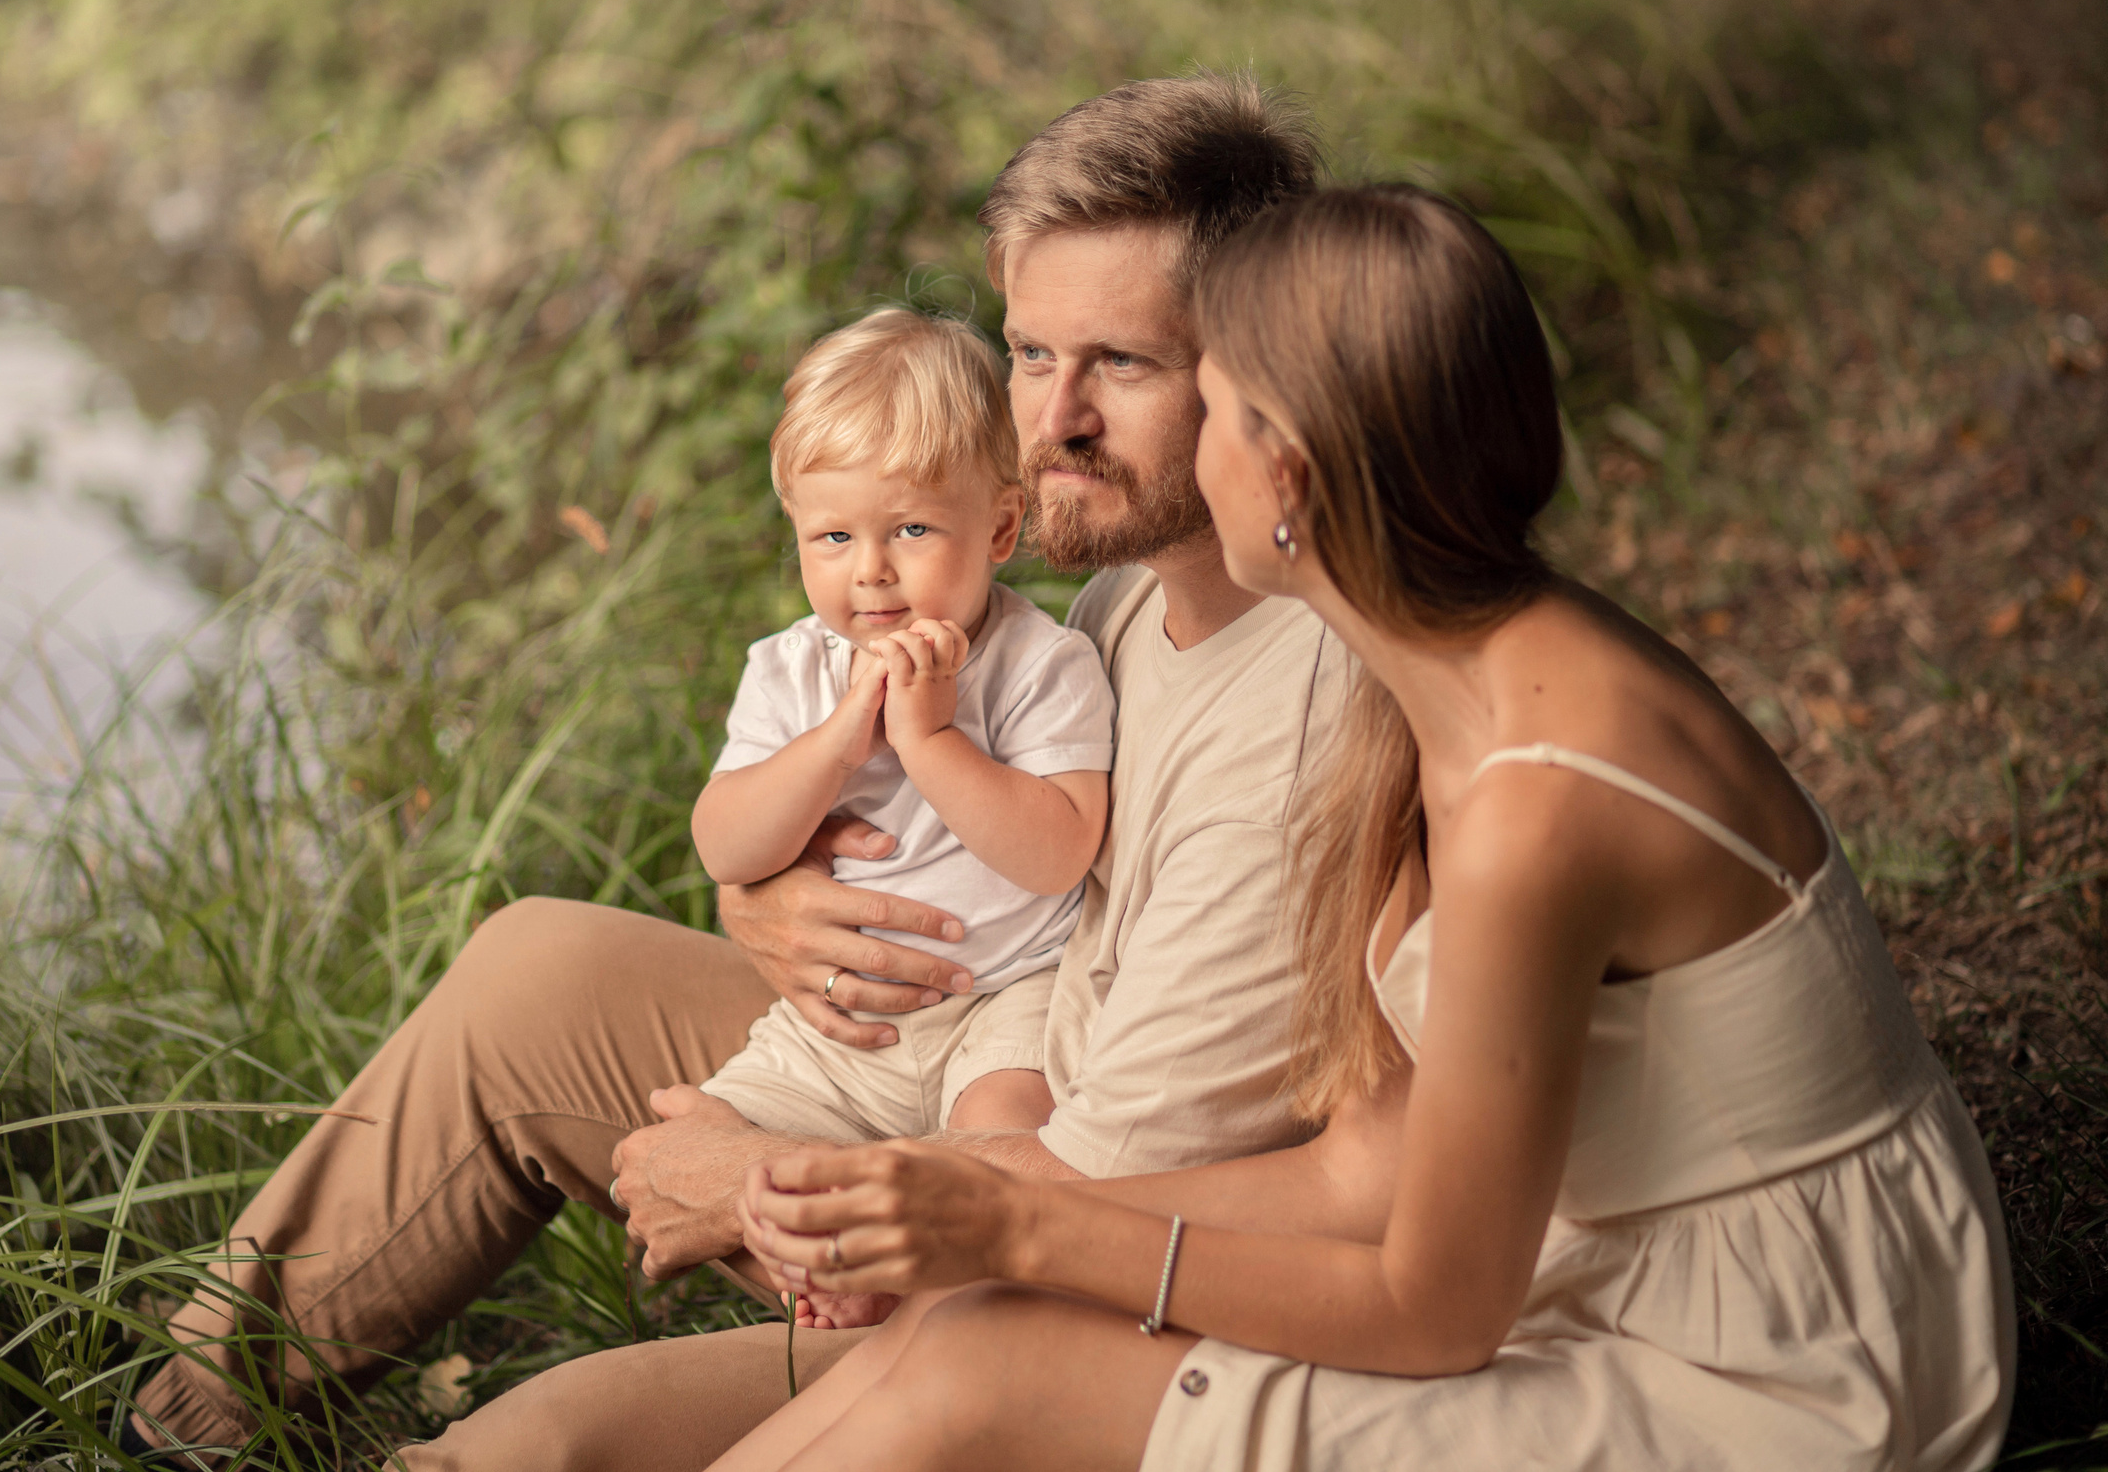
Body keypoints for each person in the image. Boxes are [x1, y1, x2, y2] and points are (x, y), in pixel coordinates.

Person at [125, 73, 1337, 1468]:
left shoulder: (1296, 727)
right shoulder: (1129, 590)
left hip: (1054, 1274)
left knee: (532, 1448)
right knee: (533, 969)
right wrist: (768, 908)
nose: (1048, 417)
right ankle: (185, 1424)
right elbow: (913, 831)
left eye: (1121, 364)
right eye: (1028, 351)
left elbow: (1103, 1215)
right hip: (926, 1050)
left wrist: (754, 1182)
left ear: (1261, 371)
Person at [718, 184, 2015, 1471]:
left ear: (1288, 472)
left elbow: (1437, 1308)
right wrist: (1001, 1202)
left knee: (985, 1355)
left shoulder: (1528, 792)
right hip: (1598, 1250)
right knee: (972, 1335)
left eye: (1205, 404)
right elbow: (1361, 1171)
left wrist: (1017, 1226)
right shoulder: (1433, 656)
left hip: (1765, 1362)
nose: (1076, 426)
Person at [691, 306, 1116, 1328]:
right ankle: (831, 1265)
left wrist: (930, 741)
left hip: (1002, 998)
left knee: (1008, 1134)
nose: (869, 569)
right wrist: (840, 739)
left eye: (911, 530)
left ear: (1001, 529)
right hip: (841, 1028)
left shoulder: (1042, 664)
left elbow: (1060, 849)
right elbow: (724, 842)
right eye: (832, 537)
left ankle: (922, 1294)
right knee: (709, 1126)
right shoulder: (791, 671)